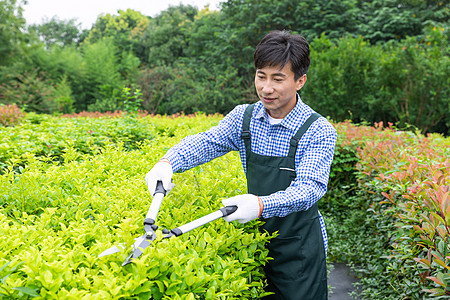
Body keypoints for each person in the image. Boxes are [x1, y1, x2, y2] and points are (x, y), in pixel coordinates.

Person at [145, 30, 337, 300]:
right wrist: (168, 162)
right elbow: (208, 142)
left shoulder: (317, 130)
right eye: (261, 76)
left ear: (300, 81)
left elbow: (309, 189)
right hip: (255, 241)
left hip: (299, 249)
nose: (266, 88)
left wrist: (260, 205)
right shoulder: (243, 118)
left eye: (278, 79)